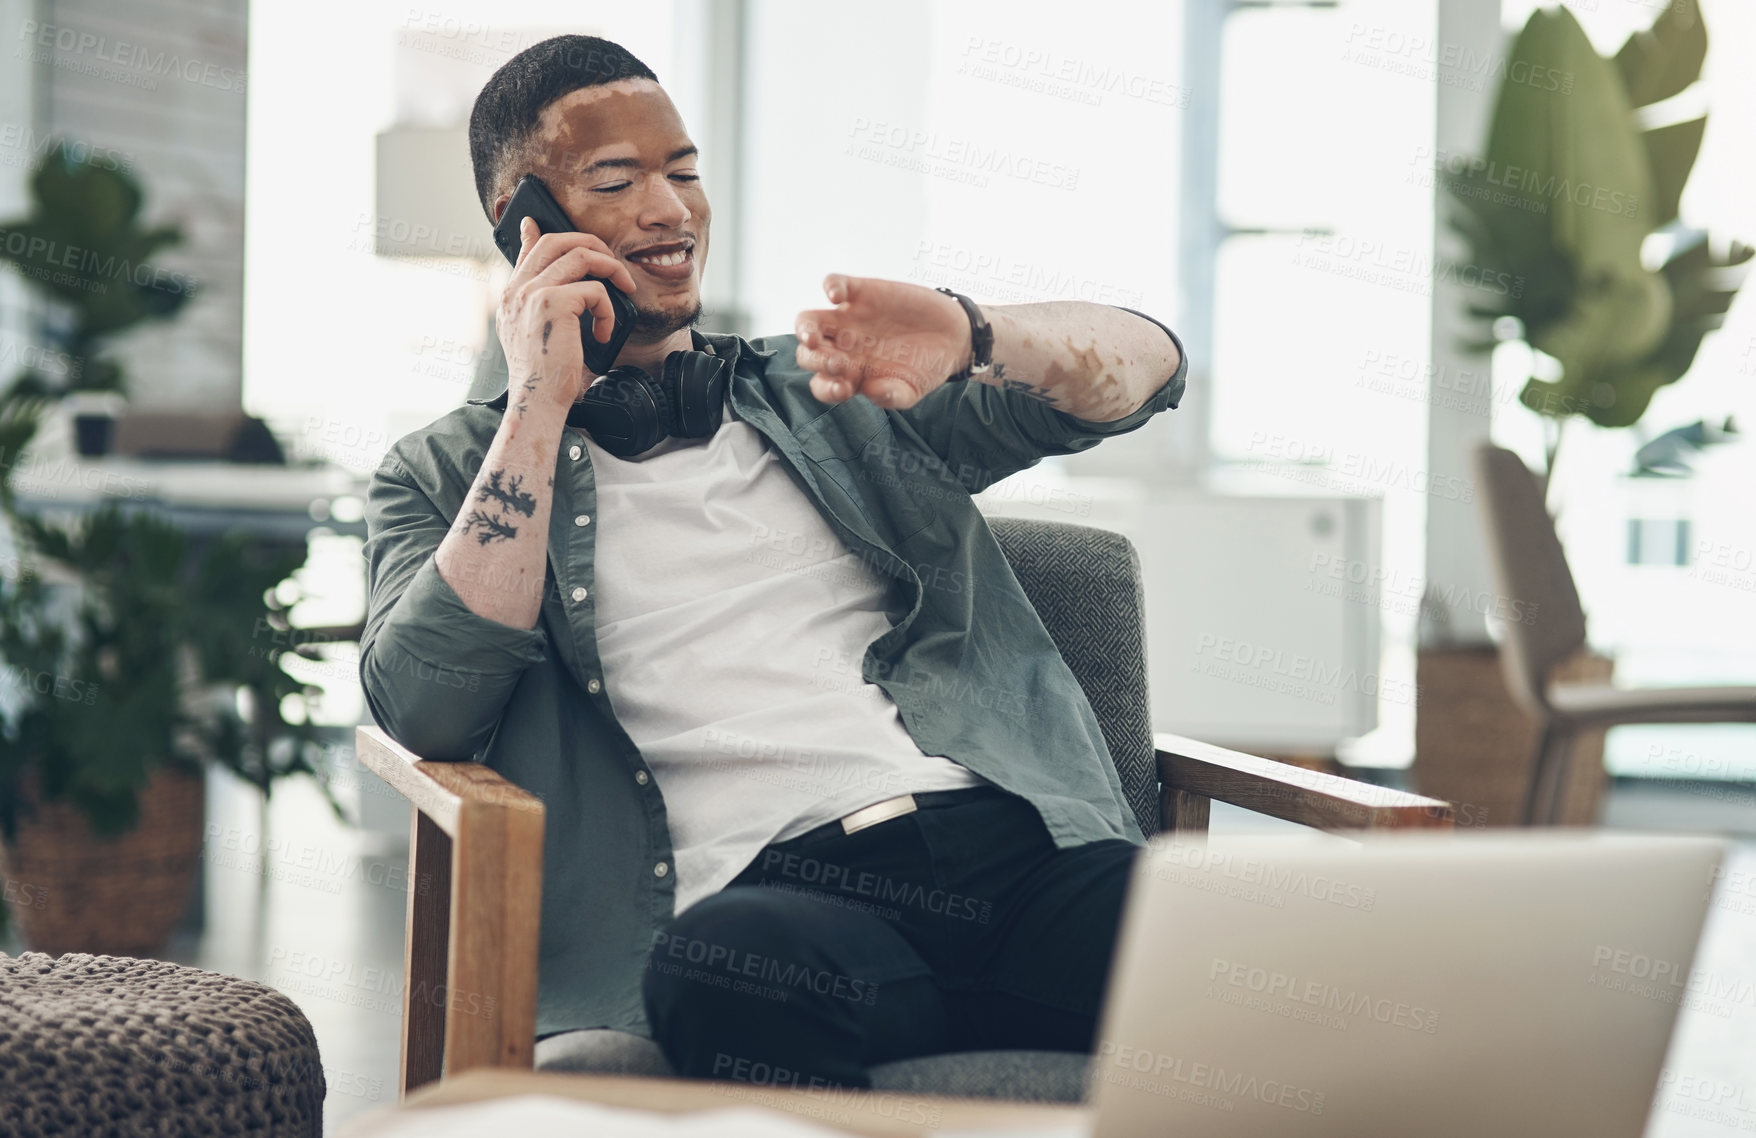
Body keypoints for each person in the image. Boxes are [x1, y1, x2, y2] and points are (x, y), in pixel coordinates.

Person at [360, 33, 1188, 1090]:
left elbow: (1151, 368)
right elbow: (424, 705)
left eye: (686, 172)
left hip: (1010, 853)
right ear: (531, 229)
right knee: (725, 977)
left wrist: (975, 333)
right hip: (777, 907)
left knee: (1247, 952)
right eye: (618, 181)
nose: (672, 209)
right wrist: (537, 397)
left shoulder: (832, 388)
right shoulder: (440, 471)